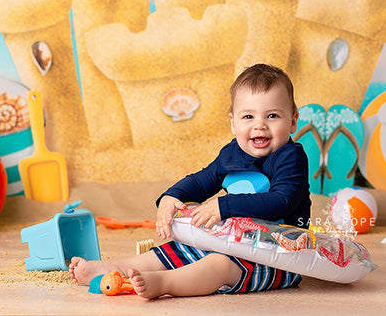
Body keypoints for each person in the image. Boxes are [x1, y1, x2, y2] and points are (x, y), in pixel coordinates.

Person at [69, 63, 311, 299]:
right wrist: (171, 196)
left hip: (278, 256)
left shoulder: (290, 157)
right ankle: (115, 267)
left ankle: (165, 283)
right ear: (233, 122)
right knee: (175, 249)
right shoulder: (232, 153)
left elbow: (283, 200)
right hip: (233, 242)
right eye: (248, 116)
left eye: (272, 115)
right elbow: (201, 180)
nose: (260, 125)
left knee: (219, 265)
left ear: (292, 121)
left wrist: (223, 206)